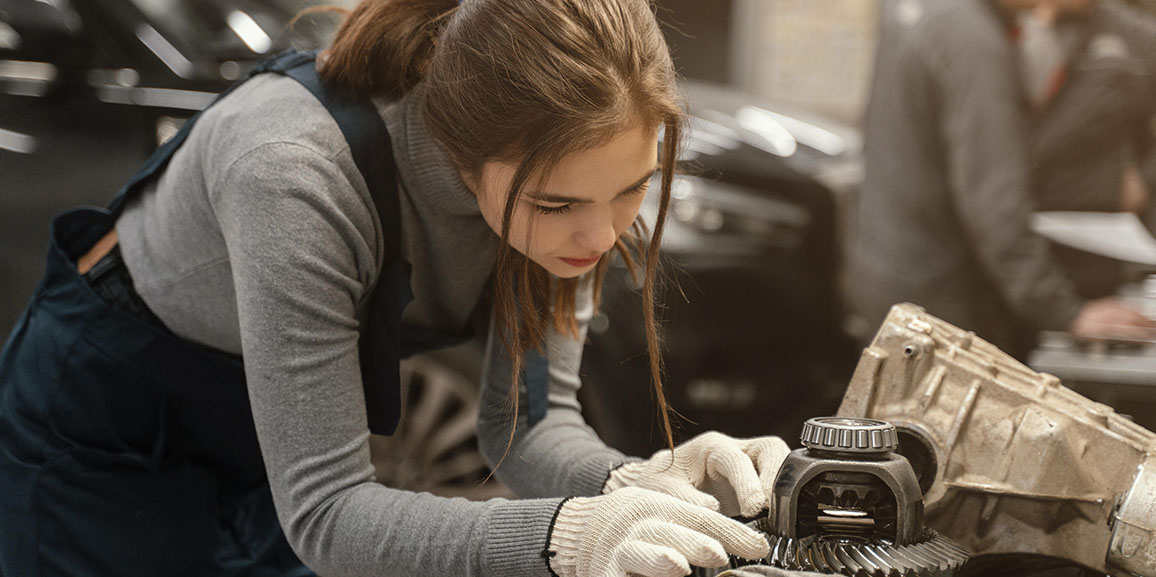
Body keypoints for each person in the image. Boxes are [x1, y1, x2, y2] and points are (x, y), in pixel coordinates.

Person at [0, 1, 800, 576]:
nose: (599, 237)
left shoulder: (566, 187)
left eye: (630, 190)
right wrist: (571, 536)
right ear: (459, 154)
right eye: (557, 204)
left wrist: (640, 482)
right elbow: (326, 513)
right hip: (103, 424)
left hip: (257, 428)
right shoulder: (294, 175)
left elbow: (524, 427)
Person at [853, 0, 1155, 360]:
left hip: (885, 265)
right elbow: (995, 201)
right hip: (942, 294)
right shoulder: (975, 46)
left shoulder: (922, 9)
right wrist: (1066, 312)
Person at [1022, 0, 1156, 298]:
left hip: (1096, 245)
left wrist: (1146, 180)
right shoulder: (995, 27)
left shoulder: (1132, 36)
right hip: (1009, 240)